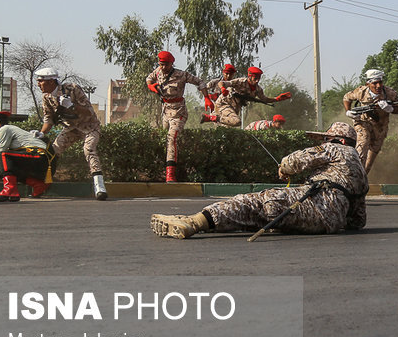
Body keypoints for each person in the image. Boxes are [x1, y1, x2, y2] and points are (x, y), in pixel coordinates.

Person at [151, 122, 368, 239]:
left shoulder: (333, 148)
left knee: (251, 203)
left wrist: (284, 168)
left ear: (337, 140)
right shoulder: (360, 169)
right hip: (327, 225)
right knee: (257, 217)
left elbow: (295, 161)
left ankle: (194, 223)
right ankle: (205, 222)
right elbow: (358, 220)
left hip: (313, 204)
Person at [35, 67, 108, 201]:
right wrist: (41, 133)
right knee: (53, 152)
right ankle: (43, 184)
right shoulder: (46, 97)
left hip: (89, 126)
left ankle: (100, 187)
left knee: (89, 149)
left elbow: (88, 111)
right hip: (71, 128)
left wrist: (71, 106)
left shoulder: (73, 89)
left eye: (40, 81)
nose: (38, 84)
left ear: (51, 81)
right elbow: (49, 118)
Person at [146, 51, 210, 182]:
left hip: (178, 112)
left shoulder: (181, 75)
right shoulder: (157, 71)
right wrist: (151, 86)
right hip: (165, 112)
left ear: (171, 64)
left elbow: (200, 82)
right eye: (161, 64)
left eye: (166, 65)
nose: (163, 67)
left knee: (171, 138)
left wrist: (207, 97)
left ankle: (170, 173)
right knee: (161, 137)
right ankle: (158, 169)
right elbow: (148, 79)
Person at [0, 111, 52, 202]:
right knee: (2, 167)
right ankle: (39, 185)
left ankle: (9, 191)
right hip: (43, 159)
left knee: (2, 156)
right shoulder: (9, 129)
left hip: (38, 156)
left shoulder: (4, 129)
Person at [343, 68, 398, 173]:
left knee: (370, 161)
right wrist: (348, 111)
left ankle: (363, 177)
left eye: (380, 82)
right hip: (363, 123)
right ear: (368, 84)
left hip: (380, 127)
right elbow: (346, 98)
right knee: (362, 145)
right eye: (375, 83)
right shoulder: (361, 92)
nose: (378, 86)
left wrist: (390, 109)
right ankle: (355, 173)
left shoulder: (390, 93)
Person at [202, 66, 291, 127]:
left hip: (234, 108)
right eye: (255, 78)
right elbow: (222, 83)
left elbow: (264, 99)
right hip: (224, 104)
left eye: (258, 79)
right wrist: (222, 89)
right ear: (250, 77)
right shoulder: (241, 82)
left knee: (228, 128)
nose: (257, 81)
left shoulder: (257, 89)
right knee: (237, 121)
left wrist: (277, 99)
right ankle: (211, 117)